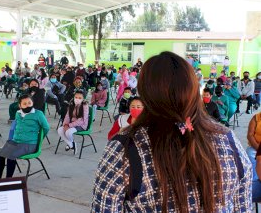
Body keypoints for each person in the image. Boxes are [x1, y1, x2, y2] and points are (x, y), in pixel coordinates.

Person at [91, 51, 252, 212]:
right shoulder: (228, 140)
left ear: (144, 92)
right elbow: (243, 207)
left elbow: (104, 207)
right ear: (193, 88)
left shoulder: (124, 148)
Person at [0, 94, 49, 178]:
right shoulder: (18, 113)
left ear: (32, 103)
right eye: (24, 104)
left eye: (29, 103)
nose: (27, 105)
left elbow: (46, 127)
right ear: (20, 105)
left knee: (11, 156)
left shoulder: (38, 114)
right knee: (0, 155)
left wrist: (39, 140)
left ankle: (8, 181)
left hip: (29, 144)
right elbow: (15, 127)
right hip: (15, 141)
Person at [57, 90, 89, 154]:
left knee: (68, 132)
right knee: (60, 130)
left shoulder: (84, 105)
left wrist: (69, 125)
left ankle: (70, 144)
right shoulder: (71, 104)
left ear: (83, 99)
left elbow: (82, 120)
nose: (77, 99)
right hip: (71, 123)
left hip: (81, 125)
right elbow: (67, 116)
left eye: (80, 98)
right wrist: (65, 124)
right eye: (76, 97)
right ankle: (71, 144)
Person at [246, 111, 261, 181]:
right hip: (255, 147)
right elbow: (250, 135)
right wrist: (258, 148)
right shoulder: (256, 118)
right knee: (250, 154)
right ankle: (254, 180)